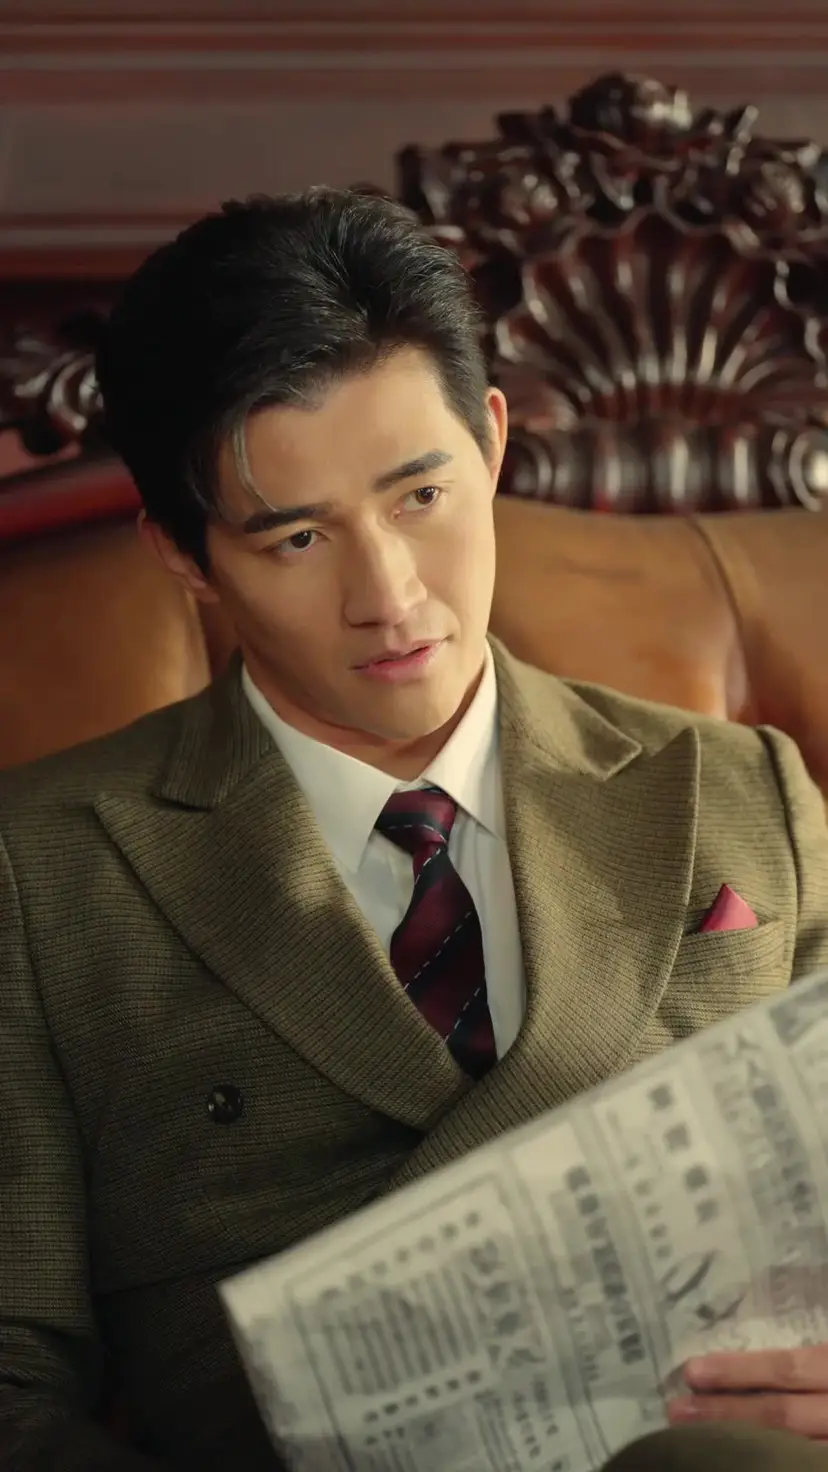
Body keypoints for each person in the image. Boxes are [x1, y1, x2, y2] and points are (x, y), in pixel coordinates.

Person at [1, 189, 827, 1472]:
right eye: (297, 536)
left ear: (491, 442)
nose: (389, 597)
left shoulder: (737, 788)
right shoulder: (44, 870)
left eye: (421, 495)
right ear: (186, 554)